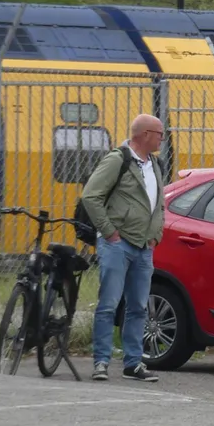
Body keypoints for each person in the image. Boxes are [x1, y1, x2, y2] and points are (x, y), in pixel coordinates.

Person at [81, 114, 167, 382]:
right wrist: (109, 232)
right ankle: (101, 361)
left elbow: (159, 204)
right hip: (118, 245)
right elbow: (90, 196)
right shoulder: (118, 160)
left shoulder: (155, 164)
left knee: (139, 307)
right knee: (108, 304)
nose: (162, 139)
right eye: (159, 133)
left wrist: (156, 234)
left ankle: (133, 362)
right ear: (144, 134)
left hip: (144, 247)